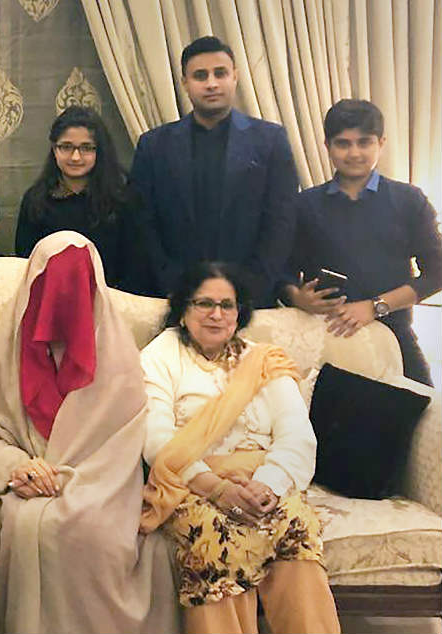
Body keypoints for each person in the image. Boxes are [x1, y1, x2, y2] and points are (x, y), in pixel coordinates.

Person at [0, 231, 179, 634]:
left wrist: (74, 486)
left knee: (80, 529)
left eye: (75, 284)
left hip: (101, 488)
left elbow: (122, 446)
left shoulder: (119, 359)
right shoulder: (0, 353)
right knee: (24, 524)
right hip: (18, 483)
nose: (63, 297)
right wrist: (17, 466)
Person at [140, 261, 340, 634]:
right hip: (192, 484)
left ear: (239, 313)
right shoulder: (160, 356)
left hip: (263, 482)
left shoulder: (263, 360)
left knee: (295, 527)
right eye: (204, 303)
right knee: (217, 537)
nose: (216, 314)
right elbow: (155, 438)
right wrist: (218, 489)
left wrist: (269, 485)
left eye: (226, 305)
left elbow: (296, 435)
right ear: (183, 310)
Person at [282, 99, 442, 386]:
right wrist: (297, 297)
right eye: (343, 143)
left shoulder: (409, 200)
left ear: (381, 143)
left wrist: (375, 306)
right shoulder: (304, 205)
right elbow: (281, 270)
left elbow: (438, 272)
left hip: (396, 335)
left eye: (364, 142)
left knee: (428, 411)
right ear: (327, 146)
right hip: (327, 339)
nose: (354, 153)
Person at [130, 36, 298, 306]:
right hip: (174, 297)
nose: (211, 83)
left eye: (220, 73)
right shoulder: (154, 145)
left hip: (250, 299)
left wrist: (250, 289)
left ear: (235, 77)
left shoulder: (270, 141)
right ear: (185, 83)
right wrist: (174, 287)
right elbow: (142, 223)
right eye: (200, 75)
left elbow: (281, 222)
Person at [14, 106, 153, 294]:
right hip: (52, 301)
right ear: (54, 149)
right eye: (66, 147)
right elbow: (26, 263)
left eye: (86, 148)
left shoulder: (123, 199)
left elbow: (137, 264)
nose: (75, 157)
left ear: (99, 151)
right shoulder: (36, 200)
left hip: (112, 300)